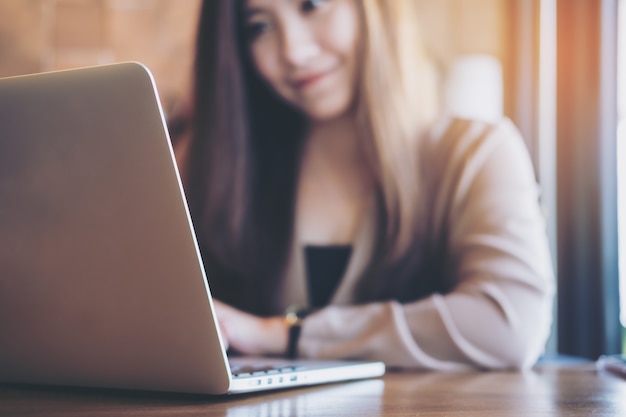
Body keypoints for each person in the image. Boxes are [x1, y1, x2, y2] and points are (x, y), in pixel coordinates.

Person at [173, 0, 554, 370]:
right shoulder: (213, 166)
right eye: (259, 26)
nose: (294, 51)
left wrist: (281, 335)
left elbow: (509, 324)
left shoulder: (476, 154)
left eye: (312, 4)